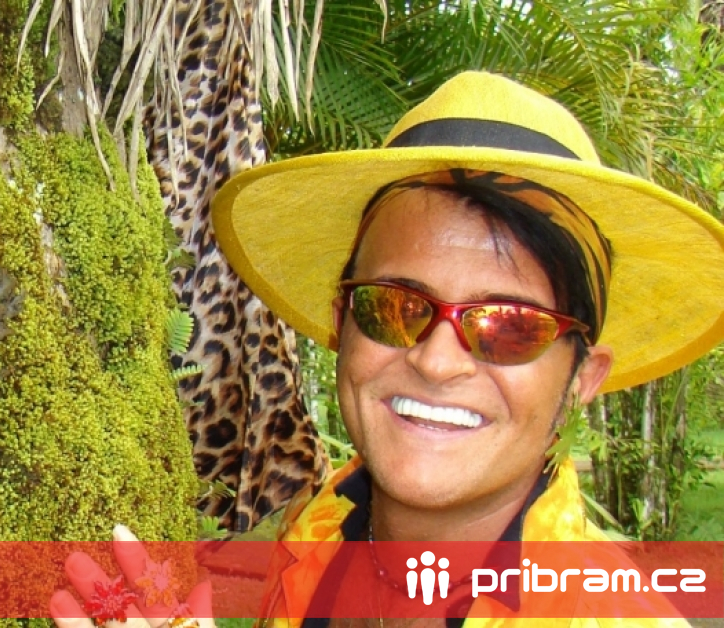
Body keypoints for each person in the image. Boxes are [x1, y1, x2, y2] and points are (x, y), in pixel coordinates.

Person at [49, 72, 724, 628]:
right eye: (395, 307)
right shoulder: (320, 531)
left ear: (582, 379)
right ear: (342, 325)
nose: (436, 361)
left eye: (509, 327)